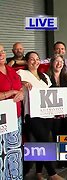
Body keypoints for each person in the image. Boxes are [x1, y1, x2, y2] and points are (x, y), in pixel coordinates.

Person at [17, 51, 64, 180]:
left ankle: (38, 172)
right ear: (26, 61)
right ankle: (52, 173)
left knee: (39, 142)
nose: (35, 61)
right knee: (44, 141)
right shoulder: (21, 74)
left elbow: (50, 95)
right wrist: (23, 83)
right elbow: (14, 83)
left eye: (37, 59)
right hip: (31, 115)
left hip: (46, 115)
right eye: (32, 59)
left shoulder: (44, 76)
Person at [47, 54, 67, 169]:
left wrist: (66, 108)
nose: (59, 64)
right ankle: (59, 159)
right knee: (56, 134)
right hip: (54, 112)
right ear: (52, 63)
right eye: (57, 61)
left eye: (61, 62)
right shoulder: (46, 78)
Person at [0, 44, 24, 180]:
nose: (1, 54)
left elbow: (19, 88)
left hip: (14, 117)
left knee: (14, 151)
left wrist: (21, 93)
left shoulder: (11, 70)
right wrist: (8, 93)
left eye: (2, 51)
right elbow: (12, 91)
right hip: (1, 118)